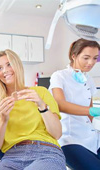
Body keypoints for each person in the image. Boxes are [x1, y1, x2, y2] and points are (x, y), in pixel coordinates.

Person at [0, 49, 66, 170]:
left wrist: (41, 106)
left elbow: (57, 134)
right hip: (12, 157)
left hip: (46, 152)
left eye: (9, 64)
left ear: (18, 65)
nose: (5, 70)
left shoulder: (41, 93)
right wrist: (3, 120)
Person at [49, 38, 100, 169]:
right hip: (69, 139)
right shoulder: (59, 76)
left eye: (95, 58)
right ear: (74, 56)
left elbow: (90, 111)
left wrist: (94, 118)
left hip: (91, 137)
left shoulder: (89, 79)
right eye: (86, 58)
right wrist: (91, 111)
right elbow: (60, 104)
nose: (91, 63)